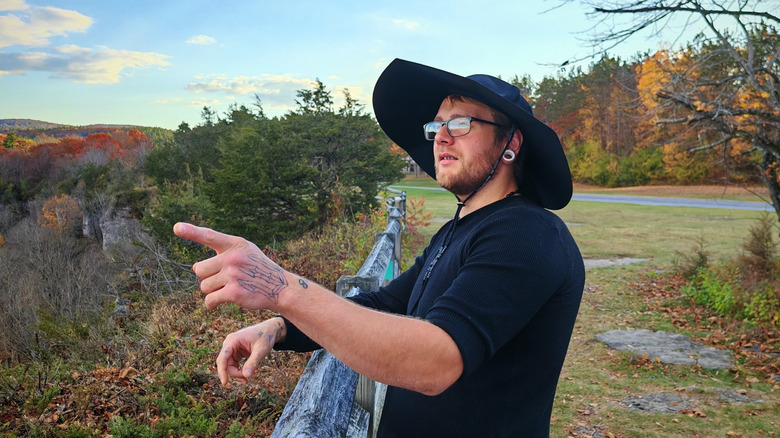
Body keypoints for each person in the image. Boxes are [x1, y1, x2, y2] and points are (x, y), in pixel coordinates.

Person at [174, 58, 585, 437]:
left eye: (460, 124)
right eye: (436, 125)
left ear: (511, 141)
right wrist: (280, 325)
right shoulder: (458, 231)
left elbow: (436, 361)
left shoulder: (528, 234)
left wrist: (282, 288)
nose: (440, 136)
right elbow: (384, 304)